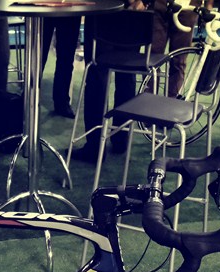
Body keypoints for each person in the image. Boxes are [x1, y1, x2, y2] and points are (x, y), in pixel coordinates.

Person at [70, 0, 197, 163]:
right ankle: (120, 140)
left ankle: (95, 147)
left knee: (97, 79)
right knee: (125, 77)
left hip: (103, 14)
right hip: (131, 14)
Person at [41, 16, 81, 119]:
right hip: (42, 9)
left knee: (66, 57)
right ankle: (29, 96)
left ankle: (62, 101)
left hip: (70, 12)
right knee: (38, 55)